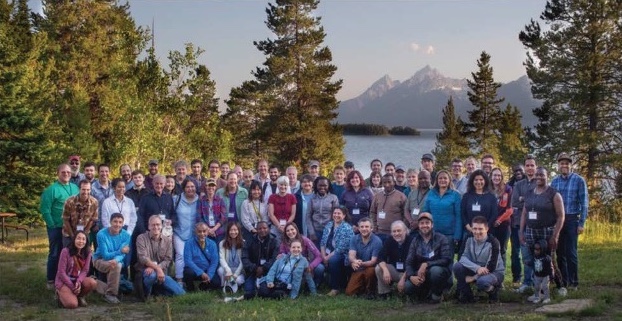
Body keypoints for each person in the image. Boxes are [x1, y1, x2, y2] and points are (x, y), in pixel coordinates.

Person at [519, 167, 566, 295]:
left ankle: (560, 286)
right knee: (534, 260)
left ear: (547, 176)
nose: (539, 177)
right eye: (537, 175)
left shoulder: (554, 194)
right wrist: (521, 231)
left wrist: (555, 235)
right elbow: (524, 213)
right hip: (530, 231)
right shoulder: (529, 193)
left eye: (542, 175)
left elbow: (561, 216)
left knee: (550, 259)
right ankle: (539, 288)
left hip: (547, 231)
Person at [550, 152, 588, 291]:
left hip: (572, 219)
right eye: (561, 163)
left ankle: (574, 282)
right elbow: (551, 203)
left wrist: (581, 223)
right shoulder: (554, 182)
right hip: (558, 220)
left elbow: (584, 203)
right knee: (560, 252)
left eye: (567, 163)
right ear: (558, 165)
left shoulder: (579, 180)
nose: (564, 165)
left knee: (571, 252)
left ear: (571, 165)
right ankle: (563, 281)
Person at [41, 163, 79, 289]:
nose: (66, 174)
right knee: (55, 253)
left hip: (72, 227)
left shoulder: (75, 187)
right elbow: (45, 209)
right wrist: (52, 225)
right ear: (58, 173)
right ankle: (51, 279)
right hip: (56, 227)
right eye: (63, 172)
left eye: (68, 172)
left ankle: (67, 277)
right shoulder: (51, 190)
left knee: (69, 253)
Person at [453, 216, 504, 303]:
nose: (477, 232)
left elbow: (491, 266)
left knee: (482, 282)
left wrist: (473, 278)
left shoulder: (494, 242)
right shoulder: (468, 238)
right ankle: (467, 295)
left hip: (494, 272)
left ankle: (493, 291)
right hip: (477, 269)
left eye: (480, 229)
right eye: (474, 229)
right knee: (457, 266)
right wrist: (477, 268)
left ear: (487, 229)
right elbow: (462, 257)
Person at [403, 213, 452, 303]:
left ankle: (437, 295)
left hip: (438, 272)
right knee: (407, 287)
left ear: (432, 224)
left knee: (435, 271)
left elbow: (446, 259)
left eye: (427, 223)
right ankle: (424, 293)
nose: (424, 225)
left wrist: (426, 264)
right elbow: (409, 262)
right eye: (422, 223)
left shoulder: (441, 238)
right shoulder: (415, 240)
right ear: (419, 225)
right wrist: (411, 277)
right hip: (420, 274)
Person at [135, 215, 185, 298]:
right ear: (148, 226)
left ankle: (157, 291)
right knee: (152, 275)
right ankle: (147, 294)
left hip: (162, 274)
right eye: (153, 225)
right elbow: (143, 258)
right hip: (145, 272)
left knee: (181, 294)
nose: (156, 227)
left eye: (158, 224)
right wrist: (157, 269)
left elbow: (168, 259)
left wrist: (157, 268)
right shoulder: (141, 238)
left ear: (161, 226)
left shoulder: (167, 240)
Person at [511, 155, 537, 291]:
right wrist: (531, 198)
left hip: (537, 224)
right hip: (521, 224)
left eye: (532, 165)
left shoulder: (540, 181)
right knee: (525, 255)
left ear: (536, 167)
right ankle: (527, 283)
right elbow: (514, 202)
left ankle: (538, 282)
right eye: (527, 165)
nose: (530, 168)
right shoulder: (519, 184)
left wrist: (524, 198)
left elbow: (543, 200)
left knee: (538, 254)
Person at [93, 213, 131, 304]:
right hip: (99, 259)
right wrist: (120, 252)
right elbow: (105, 255)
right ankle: (111, 294)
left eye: (120, 222)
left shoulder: (126, 235)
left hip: (114, 261)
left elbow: (123, 253)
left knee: (117, 265)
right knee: (117, 266)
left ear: (123, 224)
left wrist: (116, 259)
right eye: (115, 221)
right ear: (110, 222)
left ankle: (95, 282)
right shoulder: (101, 234)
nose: (117, 224)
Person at [421, 170, 462, 256]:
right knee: (432, 257)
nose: (442, 180)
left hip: (449, 235)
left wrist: (457, 235)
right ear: (437, 180)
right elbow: (426, 212)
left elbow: (459, 216)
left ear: (449, 180)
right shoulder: (431, 193)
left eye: (445, 178)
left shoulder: (455, 195)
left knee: (448, 259)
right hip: (433, 233)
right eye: (440, 178)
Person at [55, 231, 97, 308]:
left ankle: (80, 296)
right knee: (72, 304)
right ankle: (59, 293)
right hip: (64, 281)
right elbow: (61, 272)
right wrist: (72, 286)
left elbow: (85, 270)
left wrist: (78, 281)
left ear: (86, 241)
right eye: (78, 238)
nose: (81, 241)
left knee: (92, 282)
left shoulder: (88, 252)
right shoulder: (65, 251)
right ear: (74, 239)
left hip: (77, 279)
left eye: (83, 239)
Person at [345, 218, 383, 298]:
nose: (364, 229)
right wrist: (353, 261)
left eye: (366, 226)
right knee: (349, 292)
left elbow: (373, 261)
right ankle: (362, 288)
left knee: (370, 271)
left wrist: (359, 263)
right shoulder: (354, 239)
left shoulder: (377, 241)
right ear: (358, 228)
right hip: (359, 268)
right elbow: (351, 255)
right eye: (362, 227)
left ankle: (371, 291)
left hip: (371, 268)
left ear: (371, 228)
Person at [375, 220, 413, 299]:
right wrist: (385, 270)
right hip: (396, 271)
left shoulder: (412, 241)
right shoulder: (390, 240)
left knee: (408, 288)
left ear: (405, 231)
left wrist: (403, 279)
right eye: (394, 231)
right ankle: (385, 293)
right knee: (379, 268)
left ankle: (408, 295)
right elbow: (380, 257)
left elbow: (413, 263)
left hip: (409, 273)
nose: (396, 234)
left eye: (399, 231)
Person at [321, 206, 354, 297]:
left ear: (344, 216)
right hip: (328, 253)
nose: (336, 215)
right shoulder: (329, 225)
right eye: (335, 213)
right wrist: (323, 256)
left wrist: (327, 258)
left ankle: (335, 288)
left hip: (343, 254)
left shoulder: (346, 228)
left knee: (333, 260)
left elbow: (341, 248)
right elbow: (323, 242)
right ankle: (318, 285)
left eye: (339, 213)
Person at [280, 222, 323, 289]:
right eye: (287, 231)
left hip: (305, 263)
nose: (290, 232)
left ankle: (315, 284)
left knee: (320, 268)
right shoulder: (284, 243)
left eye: (292, 229)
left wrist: (311, 266)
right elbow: (282, 256)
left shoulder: (304, 240)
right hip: (291, 266)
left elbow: (319, 256)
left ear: (296, 230)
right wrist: (280, 256)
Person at [242, 221, 279, 299]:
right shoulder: (249, 240)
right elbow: (245, 258)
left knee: (264, 290)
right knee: (248, 290)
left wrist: (263, 268)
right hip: (253, 271)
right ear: (256, 230)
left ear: (269, 229)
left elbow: (274, 259)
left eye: (265, 228)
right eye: (260, 228)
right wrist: (255, 268)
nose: (262, 230)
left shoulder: (274, 241)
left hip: (268, 271)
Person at [172, 178, 199, 284]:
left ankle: (192, 280)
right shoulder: (176, 199)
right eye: (187, 187)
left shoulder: (200, 200)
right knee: (180, 256)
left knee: (192, 257)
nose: (190, 189)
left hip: (194, 234)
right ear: (183, 188)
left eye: (192, 186)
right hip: (179, 233)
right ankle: (179, 280)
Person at [183, 222, 220, 291]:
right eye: (199, 232)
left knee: (217, 283)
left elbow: (214, 261)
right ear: (195, 232)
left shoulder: (212, 244)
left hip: (207, 270)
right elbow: (188, 261)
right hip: (194, 271)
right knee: (188, 272)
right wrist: (201, 273)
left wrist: (209, 274)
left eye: (204, 231)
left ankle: (202, 286)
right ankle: (190, 289)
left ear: (207, 232)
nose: (202, 234)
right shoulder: (188, 243)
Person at [370, 174, 408, 242]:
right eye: (385, 182)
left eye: (389, 182)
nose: (387, 185)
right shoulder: (377, 196)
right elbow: (373, 212)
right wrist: (374, 226)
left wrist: (402, 228)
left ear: (394, 182)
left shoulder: (401, 196)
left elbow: (406, 213)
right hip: (379, 232)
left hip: (395, 233)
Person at [461, 169, 497, 238]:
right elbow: (462, 213)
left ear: (485, 181)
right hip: (469, 231)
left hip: (486, 232)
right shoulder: (466, 196)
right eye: (476, 180)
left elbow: (494, 214)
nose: (478, 182)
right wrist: (468, 227)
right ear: (472, 181)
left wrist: (485, 228)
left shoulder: (491, 196)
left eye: (481, 179)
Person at [61, 180, 98, 247]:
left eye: (88, 189)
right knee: (68, 254)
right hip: (69, 233)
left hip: (85, 232)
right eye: (83, 189)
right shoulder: (69, 201)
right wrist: (73, 237)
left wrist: (84, 234)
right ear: (79, 189)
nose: (86, 192)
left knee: (85, 254)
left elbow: (92, 219)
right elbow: (65, 220)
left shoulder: (94, 202)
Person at [306, 176, 339, 246]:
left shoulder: (333, 198)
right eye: (320, 185)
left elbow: (336, 216)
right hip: (315, 231)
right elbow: (308, 216)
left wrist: (331, 230)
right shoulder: (312, 198)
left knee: (327, 254)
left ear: (328, 186)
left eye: (325, 185)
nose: (322, 187)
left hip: (328, 231)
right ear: (316, 186)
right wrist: (311, 232)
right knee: (315, 255)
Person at [490, 168, 513, 267]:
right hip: (490, 225)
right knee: (491, 250)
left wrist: (499, 220)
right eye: (494, 175)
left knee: (502, 251)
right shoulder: (487, 190)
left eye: (499, 175)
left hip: (504, 225)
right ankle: (490, 273)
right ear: (491, 176)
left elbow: (510, 209)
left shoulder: (508, 189)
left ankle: (500, 276)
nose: (497, 177)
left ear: (502, 177)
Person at [196, 178, 227, 242]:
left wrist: (214, 229)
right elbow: (199, 218)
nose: (211, 187)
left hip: (219, 231)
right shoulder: (201, 200)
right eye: (209, 185)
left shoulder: (220, 200)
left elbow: (224, 217)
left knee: (219, 251)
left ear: (215, 187)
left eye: (212, 185)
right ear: (206, 187)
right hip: (205, 232)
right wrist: (208, 229)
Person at [268, 176, 297, 242]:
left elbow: (293, 214)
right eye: (281, 184)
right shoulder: (272, 197)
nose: (283, 187)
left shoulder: (292, 197)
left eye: (285, 185)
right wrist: (279, 226)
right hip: (275, 226)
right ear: (278, 185)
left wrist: (286, 226)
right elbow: (271, 214)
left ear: (288, 186)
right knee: (275, 246)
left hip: (289, 227)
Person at [218, 222, 246, 291]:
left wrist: (236, 274)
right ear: (228, 231)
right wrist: (228, 270)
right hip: (228, 269)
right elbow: (222, 259)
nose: (233, 232)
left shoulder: (244, 243)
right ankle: (224, 287)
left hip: (239, 270)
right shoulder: (222, 243)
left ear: (239, 231)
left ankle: (230, 285)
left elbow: (243, 261)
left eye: (235, 230)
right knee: (220, 270)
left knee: (239, 280)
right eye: (231, 230)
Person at [527, 239, 553, 304]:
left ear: (543, 249)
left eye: (538, 249)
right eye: (535, 249)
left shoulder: (547, 258)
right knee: (536, 287)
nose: (536, 251)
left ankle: (547, 298)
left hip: (545, 276)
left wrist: (551, 275)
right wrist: (528, 263)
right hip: (537, 275)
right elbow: (532, 263)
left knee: (545, 287)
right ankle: (537, 297)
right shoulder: (534, 257)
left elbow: (550, 268)